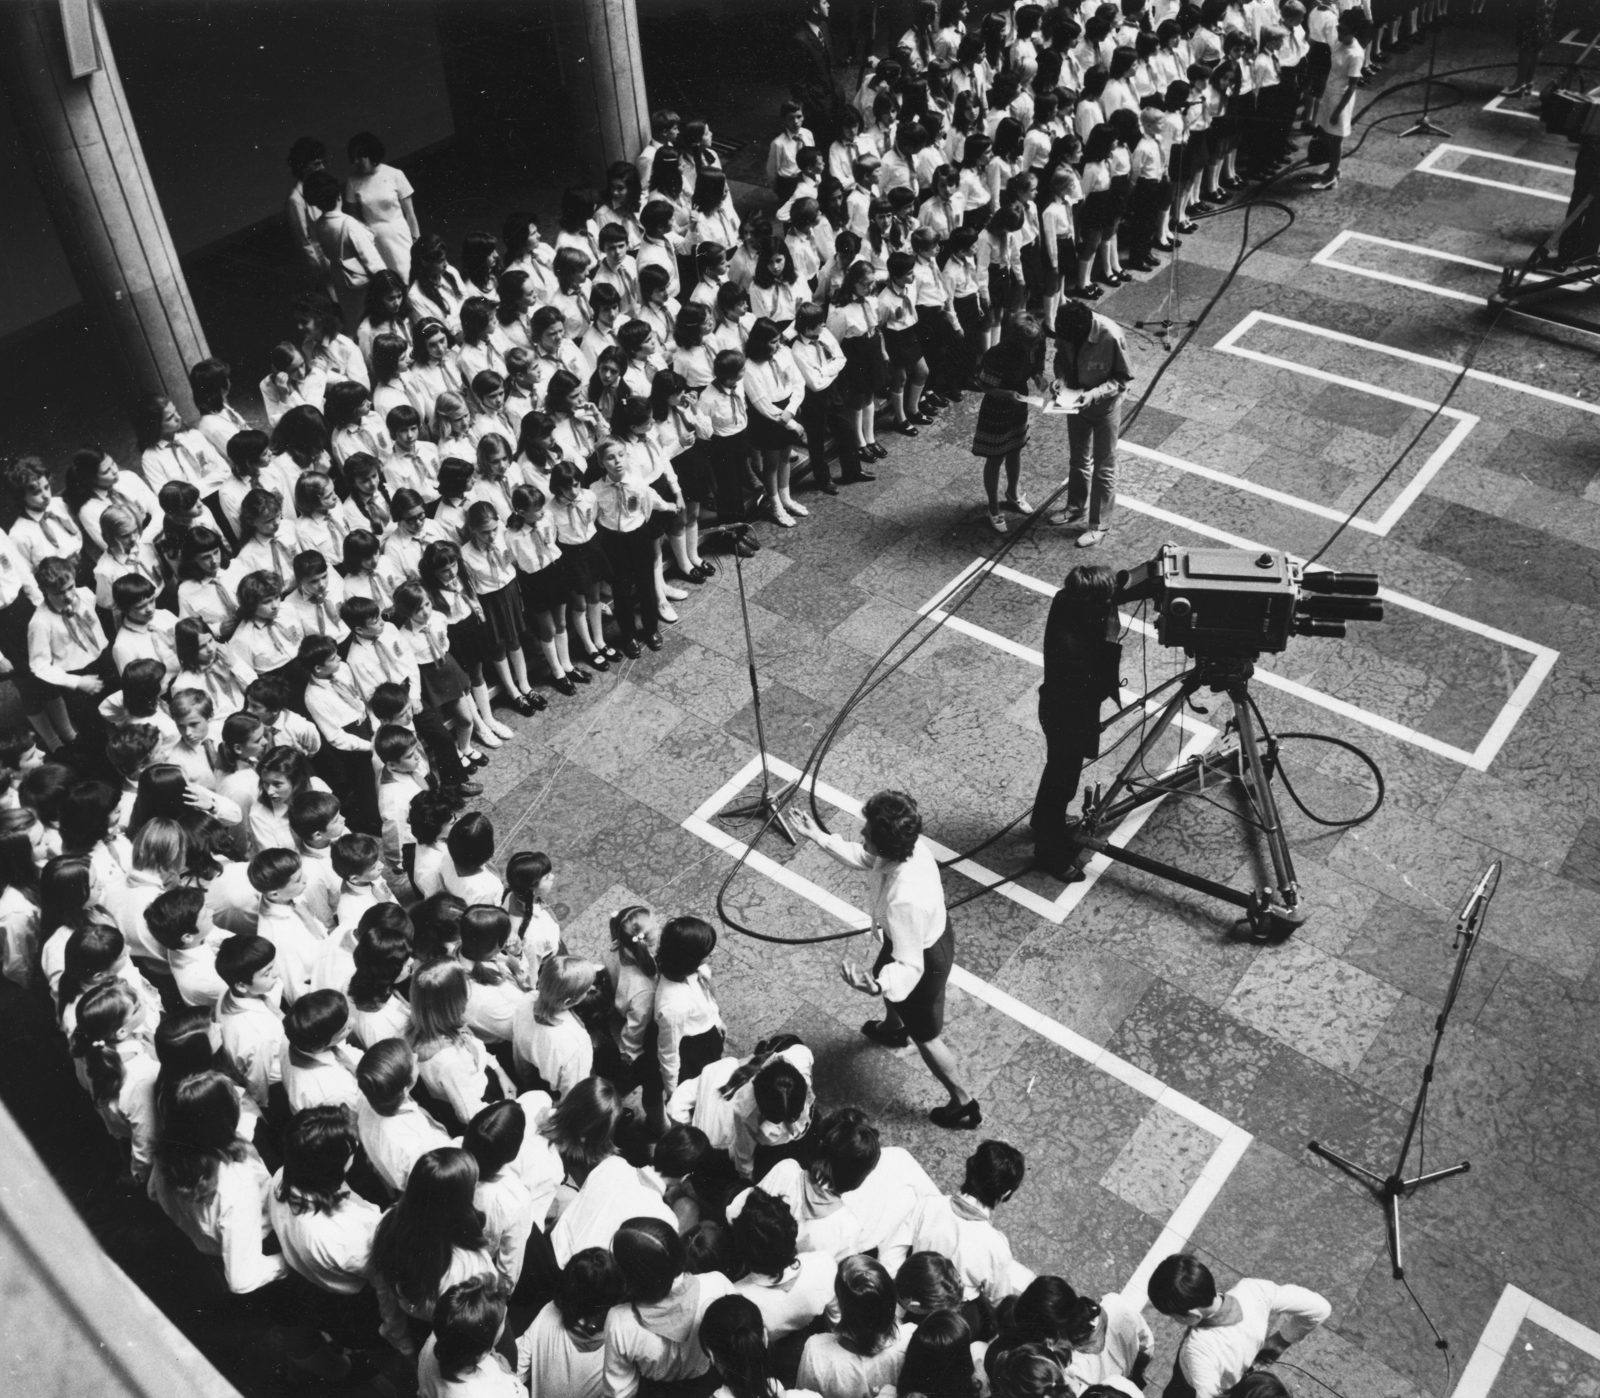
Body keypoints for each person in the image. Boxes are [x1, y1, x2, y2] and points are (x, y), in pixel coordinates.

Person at [792, 792, 977, 1128]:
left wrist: (877, 985)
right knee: (886, 972)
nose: (861, 834)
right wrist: (819, 837)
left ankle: (962, 1101)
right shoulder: (909, 849)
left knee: (926, 1035)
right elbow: (867, 858)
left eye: (867, 831)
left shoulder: (903, 901)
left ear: (886, 843)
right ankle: (893, 1027)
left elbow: (910, 966)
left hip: (922, 956)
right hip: (913, 938)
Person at [1031, 565, 1122, 880]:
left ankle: (1043, 826)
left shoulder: (1065, 599)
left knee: (1058, 774)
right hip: (1068, 714)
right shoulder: (1071, 650)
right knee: (1062, 782)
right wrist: (1111, 640)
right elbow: (1100, 687)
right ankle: (1048, 853)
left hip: (1058, 707)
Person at [1147, 1254, 1330, 1398]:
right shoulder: (1254, 1289)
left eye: (1173, 1316)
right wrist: (1281, 1341)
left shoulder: (1198, 1350)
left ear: (1193, 1315)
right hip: (1238, 1379)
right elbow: (1320, 1309)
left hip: (1188, 1387)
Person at [604, 1215, 739, 1398]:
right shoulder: (717, 1284)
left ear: (630, 1275)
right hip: (708, 1387)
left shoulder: (620, 1321)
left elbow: (619, 1391)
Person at [1047, 299, 1132, 548]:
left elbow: (1123, 377)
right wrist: (1060, 380)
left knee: (1104, 466)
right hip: (1074, 402)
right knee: (1078, 459)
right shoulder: (1067, 328)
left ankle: (1099, 525)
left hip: (1104, 406)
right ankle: (1075, 507)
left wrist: (1094, 394)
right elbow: (1060, 359)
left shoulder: (1111, 335)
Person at [969, 313, 1045, 534]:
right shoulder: (998, 354)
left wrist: (1039, 377)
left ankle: (1012, 493)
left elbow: (1037, 364)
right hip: (998, 405)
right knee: (995, 457)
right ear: (1017, 341)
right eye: (1029, 346)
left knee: (1015, 449)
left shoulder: (1037, 341)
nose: (1033, 348)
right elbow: (985, 386)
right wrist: (1007, 393)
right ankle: (993, 507)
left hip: (1019, 400)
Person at [1304, 8, 1370, 192]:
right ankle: (1334, 167)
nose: (1339, 33)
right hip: (1328, 93)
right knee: (1326, 133)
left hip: (1341, 99)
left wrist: (1337, 111)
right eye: (1339, 29)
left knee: (1336, 139)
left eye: (1344, 31)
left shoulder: (1355, 54)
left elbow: (1352, 87)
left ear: (1354, 32)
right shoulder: (1339, 43)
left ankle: (1331, 177)